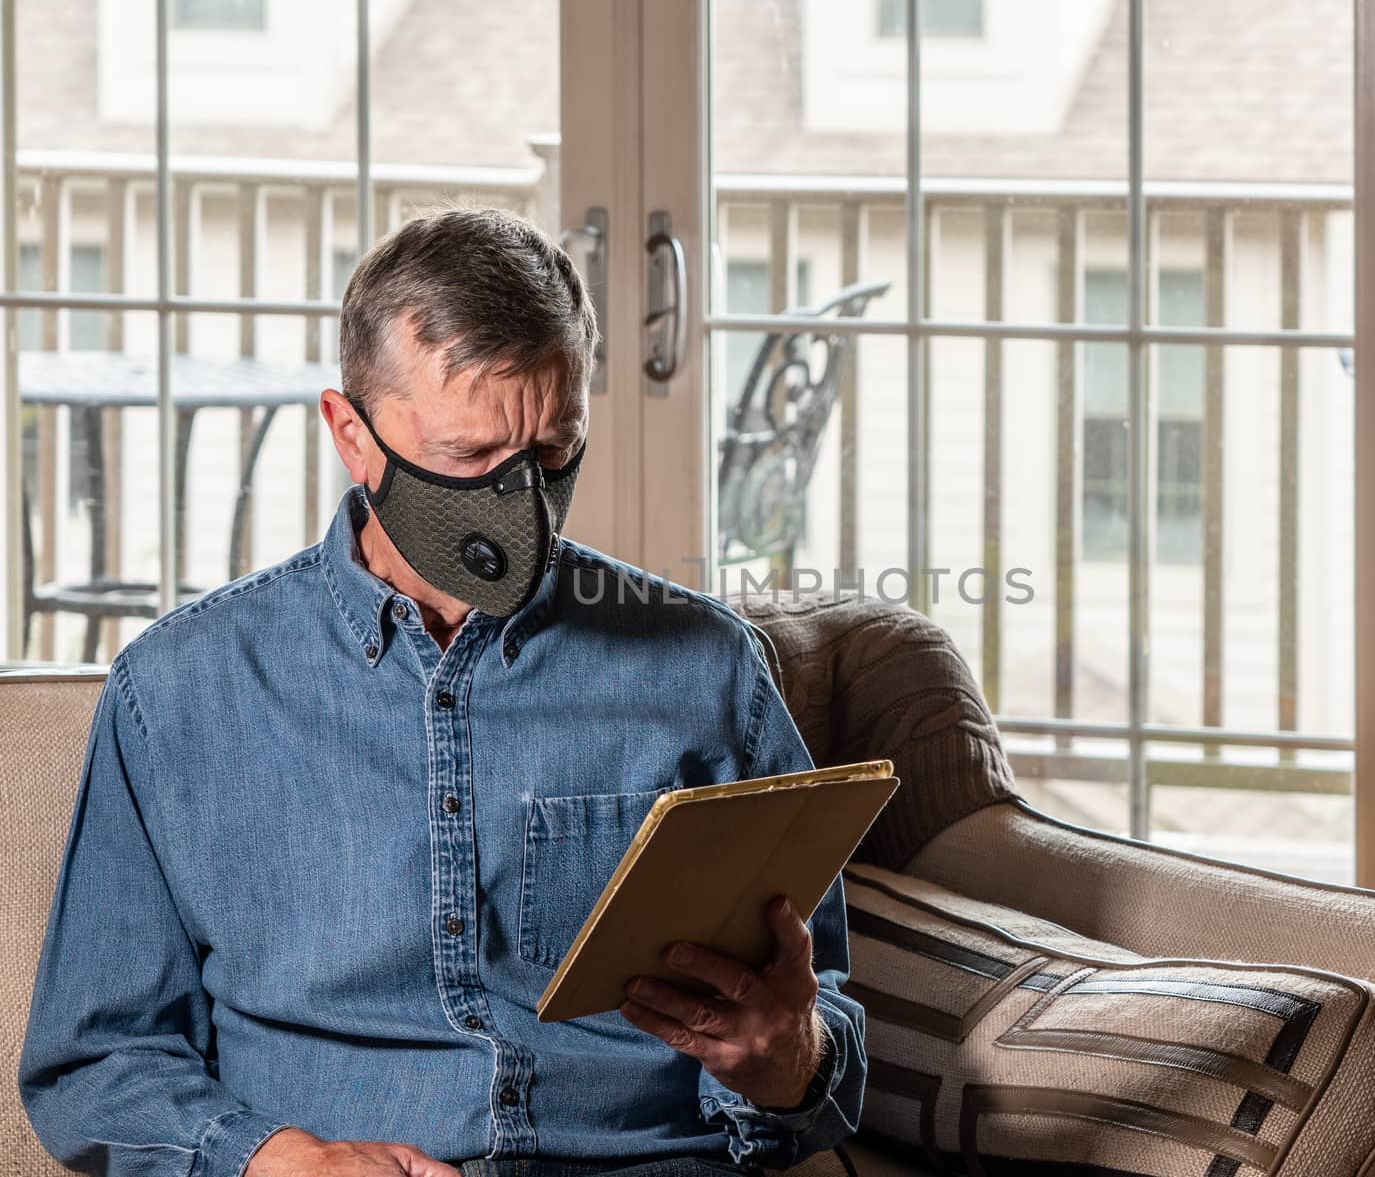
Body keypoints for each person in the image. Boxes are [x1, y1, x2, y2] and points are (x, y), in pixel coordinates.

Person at [17, 206, 866, 1177]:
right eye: (469, 458)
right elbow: (96, 1060)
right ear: (351, 434)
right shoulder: (177, 690)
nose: (521, 503)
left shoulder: (704, 666)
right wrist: (273, 1159)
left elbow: (817, 1018)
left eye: (551, 455)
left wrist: (792, 1061)